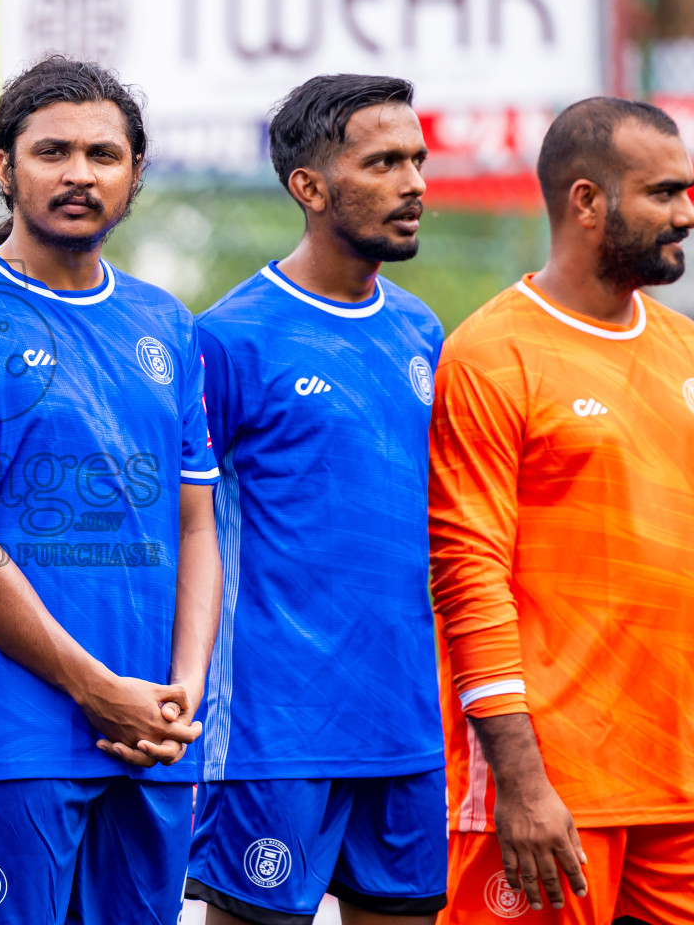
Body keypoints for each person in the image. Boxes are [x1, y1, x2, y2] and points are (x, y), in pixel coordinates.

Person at [430, 96, 694, 923]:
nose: (689, 214)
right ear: (586, 202)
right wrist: (520, 782)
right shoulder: (489, 354)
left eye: (687, 190)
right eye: (663, 193)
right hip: (552, 792)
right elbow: (468, 576)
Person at [0, 56, 222, 925]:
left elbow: (197, 524)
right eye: (52, 151)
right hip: (20, 741)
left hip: (157, 739)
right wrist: (93, 687)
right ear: (4, 166)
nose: (79, 174)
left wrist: (182, 692)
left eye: (103, 154)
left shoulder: (164, 322)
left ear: (133, 173)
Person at [185, 74, 447, 925]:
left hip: (409, 725)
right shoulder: (228, 337)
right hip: (276, 730)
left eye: (417, 159)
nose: (413, 183)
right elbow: (180, 529)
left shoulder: (421, 331)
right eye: (383, 162)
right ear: (309, 186)